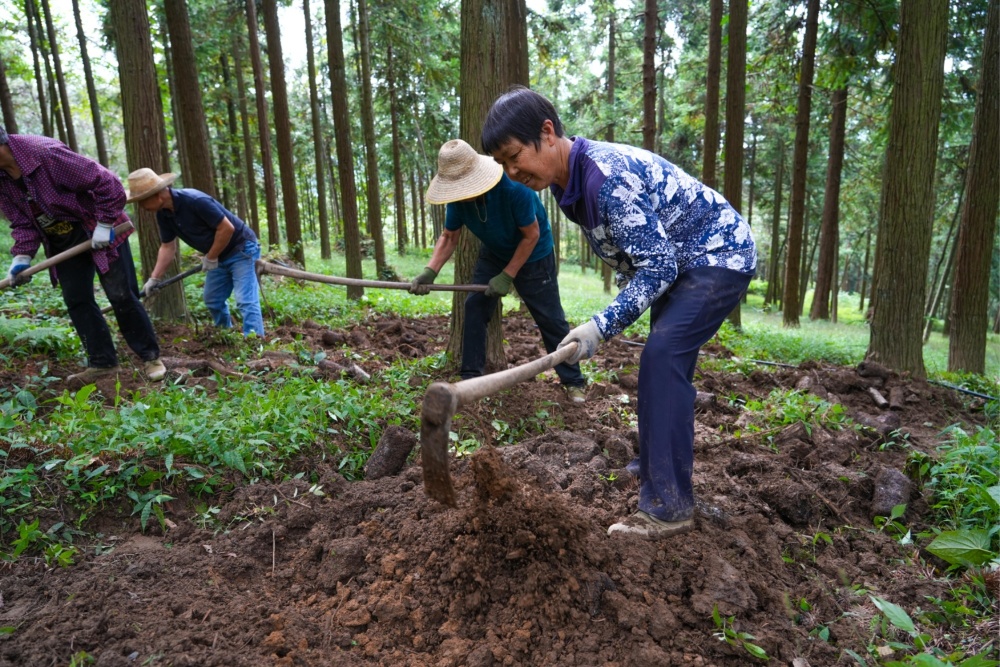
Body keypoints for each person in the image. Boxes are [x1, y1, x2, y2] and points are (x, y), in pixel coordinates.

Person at [482, 87, 757, 538]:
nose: (512, 173)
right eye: (503, 166)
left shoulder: (605, 178)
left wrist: (600, 326)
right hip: (680, 259)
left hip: (716, 254)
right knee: (662, 360)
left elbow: (659, 264)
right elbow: (634, 252)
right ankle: (656, 466)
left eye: (515, 157)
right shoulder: (565, 181)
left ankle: (668, 507)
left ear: (547, 133)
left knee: (663, 357)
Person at [410, 138, 587, 402]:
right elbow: (449, 237)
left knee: (550, 319)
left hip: (535, 254)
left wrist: (508, 275)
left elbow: (531, 236)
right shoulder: (458, 200)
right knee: (474, 306)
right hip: (494, 252)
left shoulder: (515, 189)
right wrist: (430, 271)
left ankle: (573, 381)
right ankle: (470, 380)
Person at [0, 127, 165, 384]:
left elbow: (108, 183)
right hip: (61, 241)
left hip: (97, 227)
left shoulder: (45, 154)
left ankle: (150, 357)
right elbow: (22, 221)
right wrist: (22, 256)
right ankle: (103, 363)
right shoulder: (2, 179)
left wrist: (105, 223)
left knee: (121, 294)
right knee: (77, 299)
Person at [126, 168, 265, 337]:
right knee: (213, 300)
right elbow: (167, 247)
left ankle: (254, 340)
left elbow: (226, 228)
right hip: (217, 255)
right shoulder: (164, 214)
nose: (141, 207)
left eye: (142, 201)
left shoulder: (195, 200)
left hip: (241, 248)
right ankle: (225, 334)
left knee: (245, 300)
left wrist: (211, 256)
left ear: (157, 195)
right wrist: (154, 278)